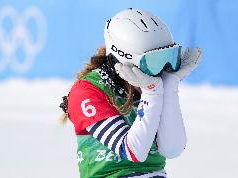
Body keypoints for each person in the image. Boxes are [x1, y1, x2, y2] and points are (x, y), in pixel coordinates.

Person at [60, 8, 202, 178]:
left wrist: (171, 86)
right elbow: (134, 151)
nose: (163, 71)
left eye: (169, 57)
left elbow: (172, 149)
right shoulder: (87, 91)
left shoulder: (154, 82)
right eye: (154, 62)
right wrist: (152, 93)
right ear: (122, 60)